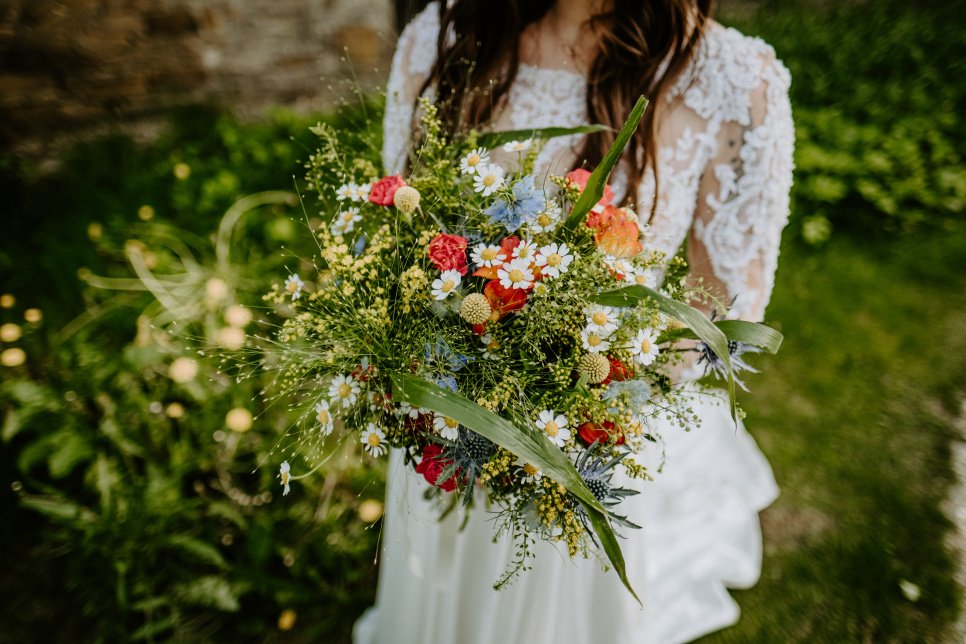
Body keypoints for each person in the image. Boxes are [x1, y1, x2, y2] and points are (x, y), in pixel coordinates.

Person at [355, 0, 793, 641]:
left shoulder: (732, 80)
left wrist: (580, 412)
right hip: (446, 408)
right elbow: (406, 221)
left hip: (586, 439)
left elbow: (720, 310)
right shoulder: (443, 34)